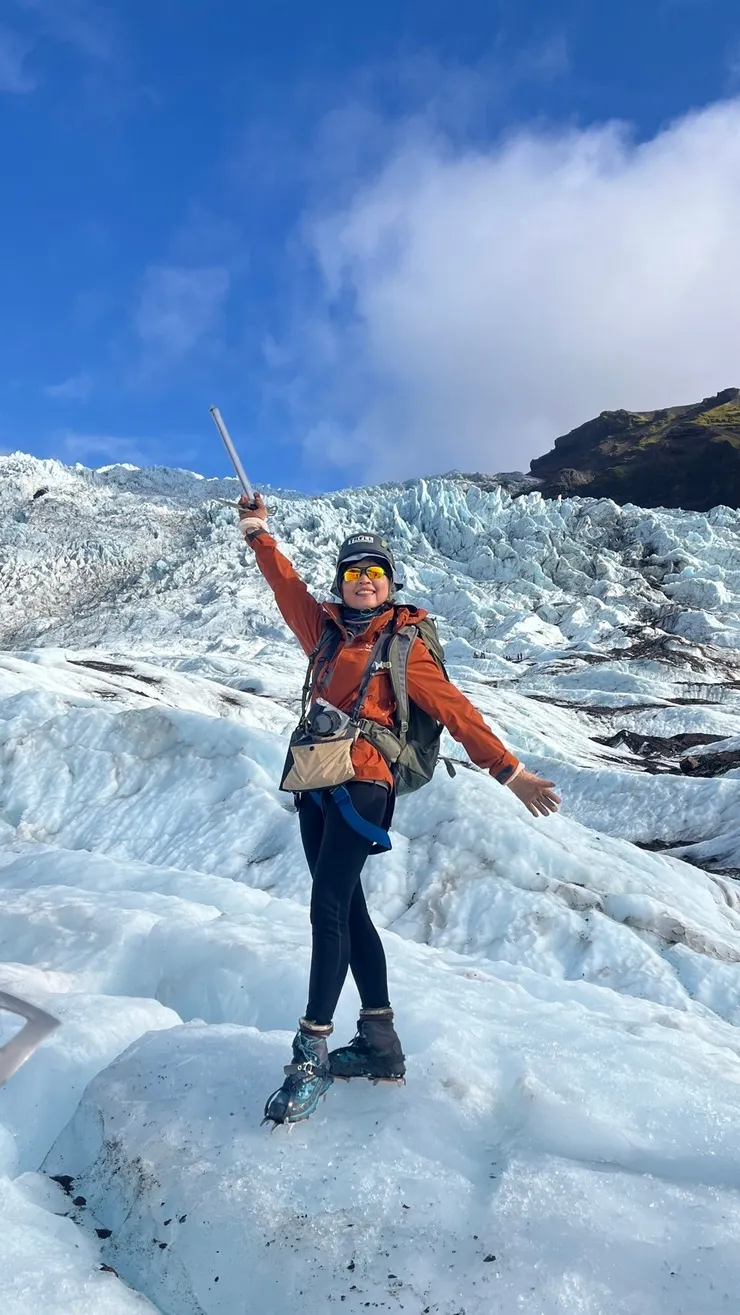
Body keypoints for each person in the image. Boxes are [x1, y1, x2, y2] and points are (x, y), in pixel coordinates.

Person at [237, 495, 560, 1127]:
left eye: (374, 573)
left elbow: (458, 712)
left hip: (365, 783)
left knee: (327, 907)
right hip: (314, 779)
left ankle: (310, 1055)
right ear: (341, 583)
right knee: (348, 909)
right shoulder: (323, 630)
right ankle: (381, 1046)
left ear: (390, 584)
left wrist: (511, 773)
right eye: (353, 573)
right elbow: (285, 585)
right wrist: (258, 535)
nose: (363, 582)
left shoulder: (405, 646)